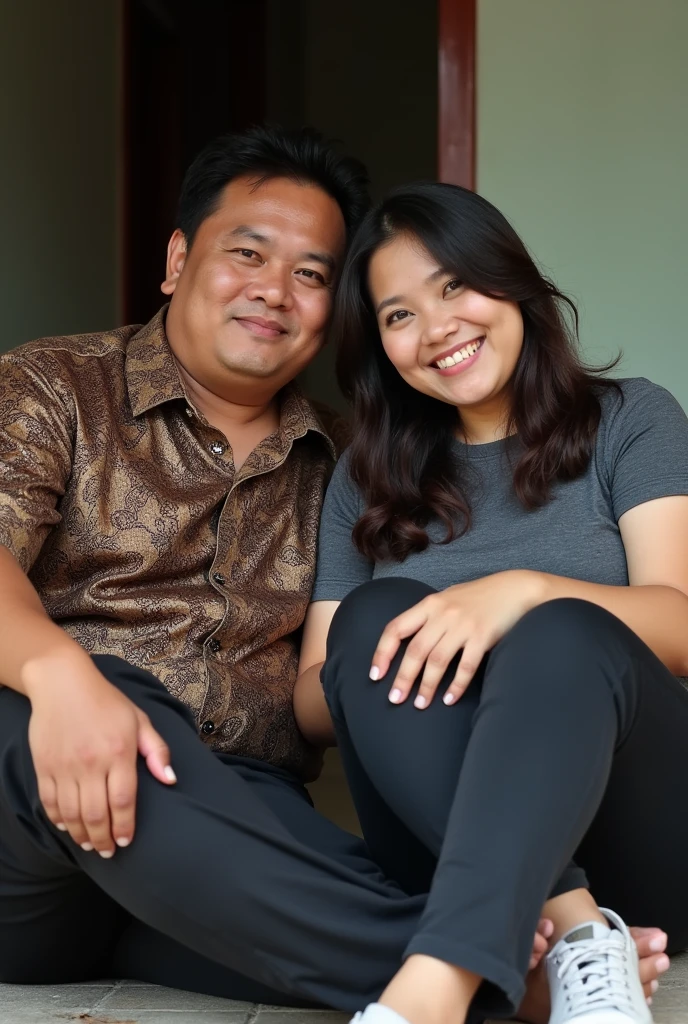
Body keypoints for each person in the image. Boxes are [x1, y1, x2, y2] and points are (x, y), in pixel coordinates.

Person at [0, 127, 667, 1019]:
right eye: (248, 253)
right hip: (45, 786)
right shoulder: (54, 386)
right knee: (93, 705)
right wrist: (60, 676)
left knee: (403, 839)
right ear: (177, 258)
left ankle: (479, 967)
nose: (274, 291)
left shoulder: (348, 457)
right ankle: (499, 959)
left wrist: (518, 600)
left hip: (233, 836)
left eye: (310, 274)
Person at [293, 181, 688, 1024]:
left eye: (452, 286)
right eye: (398, 316)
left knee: (564, 631)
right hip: (449, 848)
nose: (436, 329)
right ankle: (579, 933)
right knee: (373, 617)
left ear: (511, 282)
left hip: (643, 844)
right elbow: (312, 697)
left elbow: (681, 623)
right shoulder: (365, 480)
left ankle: (436, 984)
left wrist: (521, 595)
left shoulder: (632, 421)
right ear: (380, 348)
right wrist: (422, 652)